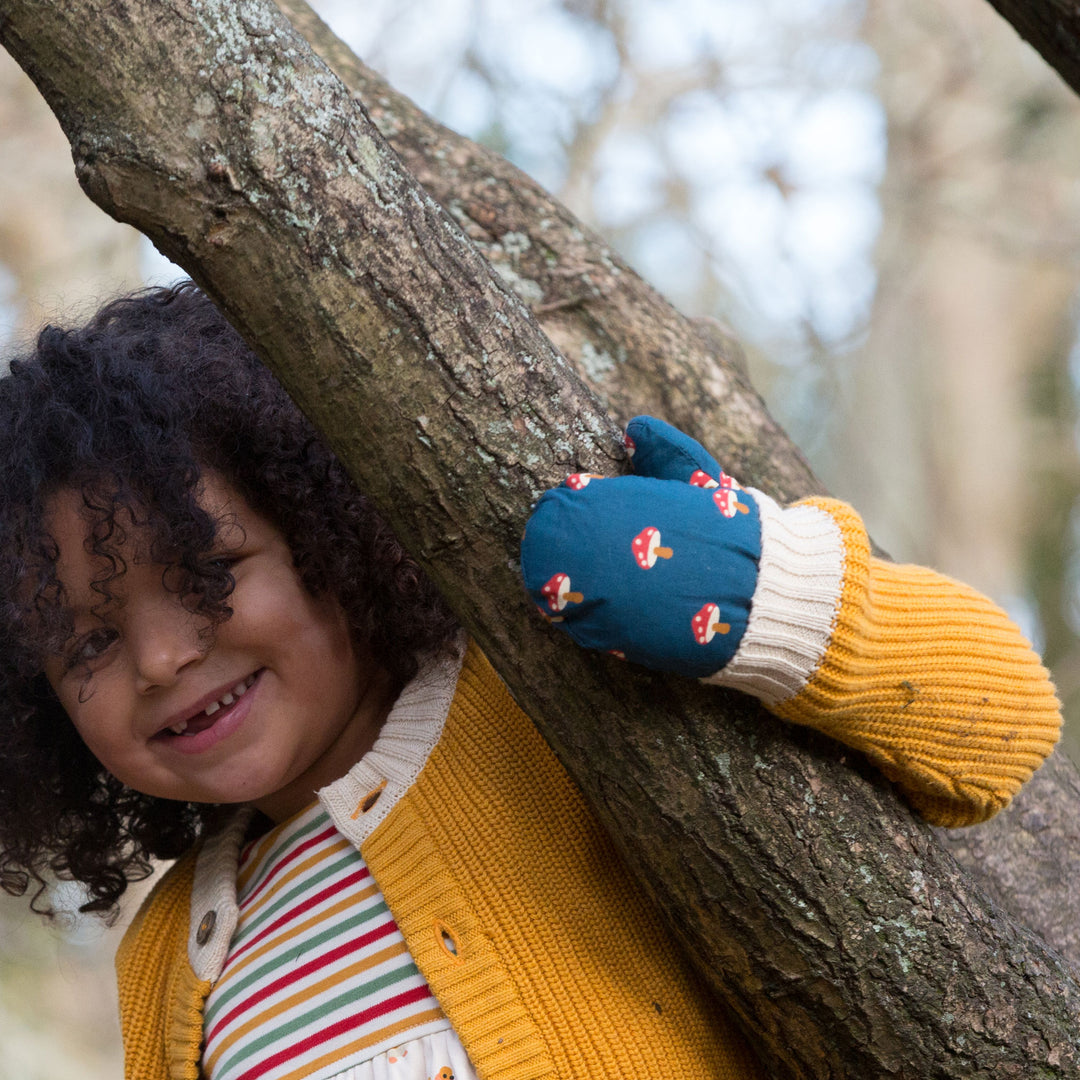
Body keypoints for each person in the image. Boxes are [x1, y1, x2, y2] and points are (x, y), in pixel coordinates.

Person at [0, 283, 1060, 1080]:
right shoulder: (163, 963)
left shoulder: (552, 706)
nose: (160, 658)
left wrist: (773, 600)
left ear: (326, 524)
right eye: (84, 644)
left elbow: (1003, 726)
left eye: (207, 573)